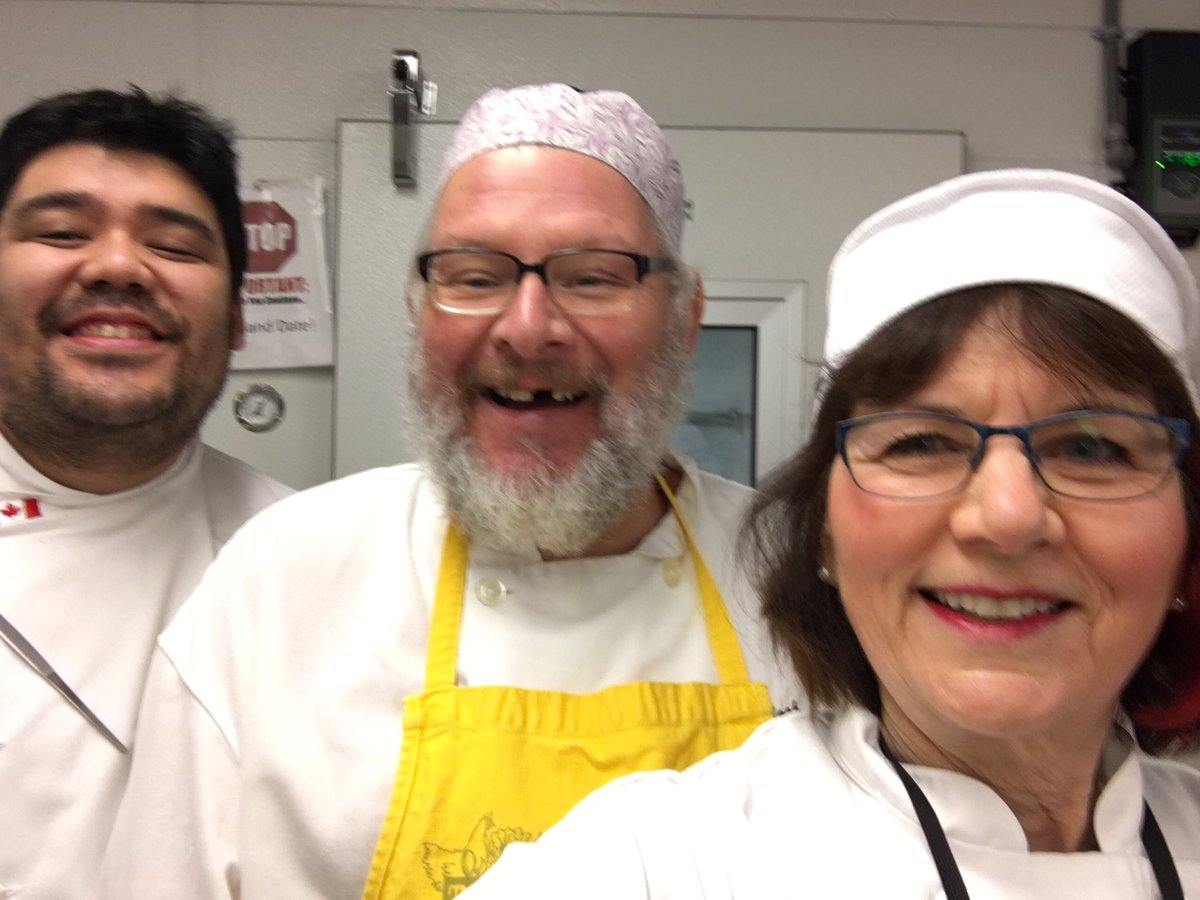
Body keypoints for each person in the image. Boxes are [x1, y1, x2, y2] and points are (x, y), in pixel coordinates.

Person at [100, 83, 803, 899]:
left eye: (593, 277)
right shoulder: (279, 584)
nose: (527, 326)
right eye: (473, 277)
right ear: (417, 310)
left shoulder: (796, 579)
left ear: (685, 318)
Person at [464, 168, 1200, 897]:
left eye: (1092, 448)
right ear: (822, 535)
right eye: (920, 443)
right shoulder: (654, 863)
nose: (1006, 517)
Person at [0, 86, 291, 898]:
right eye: (61, 232)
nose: (120, 266)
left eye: (174, 245)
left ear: (236, 318)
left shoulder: (302, 557)